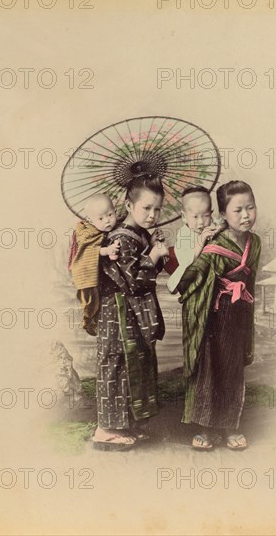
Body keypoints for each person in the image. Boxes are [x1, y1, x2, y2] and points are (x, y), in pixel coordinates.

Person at [177, 180, 261, 451]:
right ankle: (205, 428)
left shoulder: (254, 243)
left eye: (250, 207)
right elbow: (187, 279)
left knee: (233, 370)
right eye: (237, 210)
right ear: (223, 214)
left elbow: (251, 283)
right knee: (210, 369)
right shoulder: (213, 245)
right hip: (212, 316)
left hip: (238, 315)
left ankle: (229, 427)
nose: (246, 215)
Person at [92, 174, 168, 450]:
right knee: (116, 363)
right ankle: (106, 430)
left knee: (132, 362)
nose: (152, 214)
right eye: (146, 208)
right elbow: (134, 282)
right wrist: (155, 256)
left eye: (157, 208)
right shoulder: (120, 238)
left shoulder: (138, 235)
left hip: (130, 311)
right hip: (116, 311)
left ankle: (127, 425)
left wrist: (153, 248)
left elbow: (144, 275)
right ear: (128, 205)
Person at [68, 194, 120, 336]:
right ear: (90, 220)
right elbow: (88, 251)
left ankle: (94, 319)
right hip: (88, 272)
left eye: (110, 214)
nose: (107, 221)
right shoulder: (88, 232)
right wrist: (107, 250)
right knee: (92, 300)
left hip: (105, 281)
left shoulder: (115, 229)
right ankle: (89, 319)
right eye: (101, 218)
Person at [167, 186, 222, 294]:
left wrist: (219, 227)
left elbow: (221, 223)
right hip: (191, 276)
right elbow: (187, 260)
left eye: (206, 215)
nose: (201, 222)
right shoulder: (184, 235)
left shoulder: (210, 224)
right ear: (184, 216)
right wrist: (201, 240)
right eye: (195, 217)